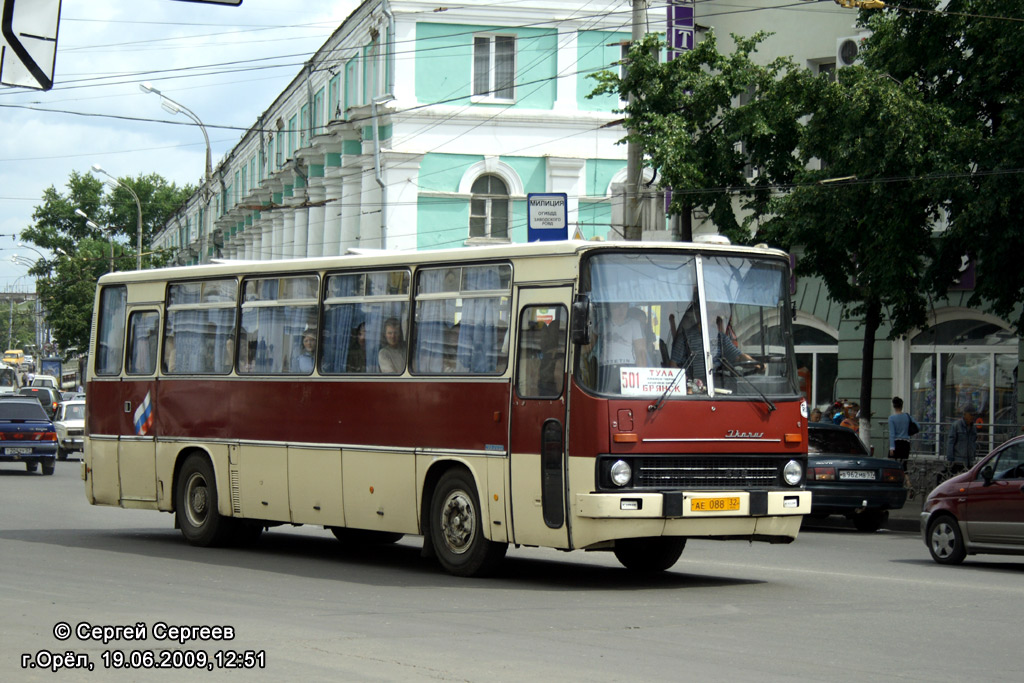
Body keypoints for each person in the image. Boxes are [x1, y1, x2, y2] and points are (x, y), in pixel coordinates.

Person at [596, 301, 647, 392]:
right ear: (611, 307)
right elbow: (586, 348)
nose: (621, 310)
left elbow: (640, 353)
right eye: (617, 306)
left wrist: (642, 380)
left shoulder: (635, 324)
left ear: (628, 306)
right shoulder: (603, 324)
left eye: (624, 306)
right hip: (606, 370)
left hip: (628, 369)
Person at [887, 396, 920, 471]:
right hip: (906, 444)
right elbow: (918, 426)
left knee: (892, 465)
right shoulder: (907, 416)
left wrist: (892, 447)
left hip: (896, 444)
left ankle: (895, 480)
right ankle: (908, 482)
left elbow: (892, 434)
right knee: (904, 465)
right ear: (902, 406)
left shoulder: (891, 418)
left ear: (894, 406)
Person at [946, 404, 978, 474]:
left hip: (970, 461)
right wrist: (950, 459)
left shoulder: (973, 428)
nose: (973, 417)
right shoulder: (956, 426)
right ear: (965, 414)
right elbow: (950, 442)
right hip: (958, 461)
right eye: (971, 415)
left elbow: (974, 442)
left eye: (974, 415)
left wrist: (973, 456)